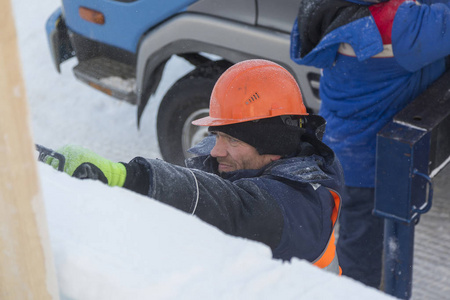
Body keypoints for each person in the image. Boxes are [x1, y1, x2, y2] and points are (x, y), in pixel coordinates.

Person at [45, 59, 345, 274]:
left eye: (232, 140)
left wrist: (127, 177)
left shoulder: (305, 202)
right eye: (216, 135)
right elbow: (191, 191)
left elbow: (234, 209)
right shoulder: (237, 164)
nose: (215, 150)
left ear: (273, 144)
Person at [290, 0, 450, 288]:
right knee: (364, 268)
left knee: (358, 247)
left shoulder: (335, 8)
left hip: (344, 150)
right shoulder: (397, 22)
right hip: (372, 167)